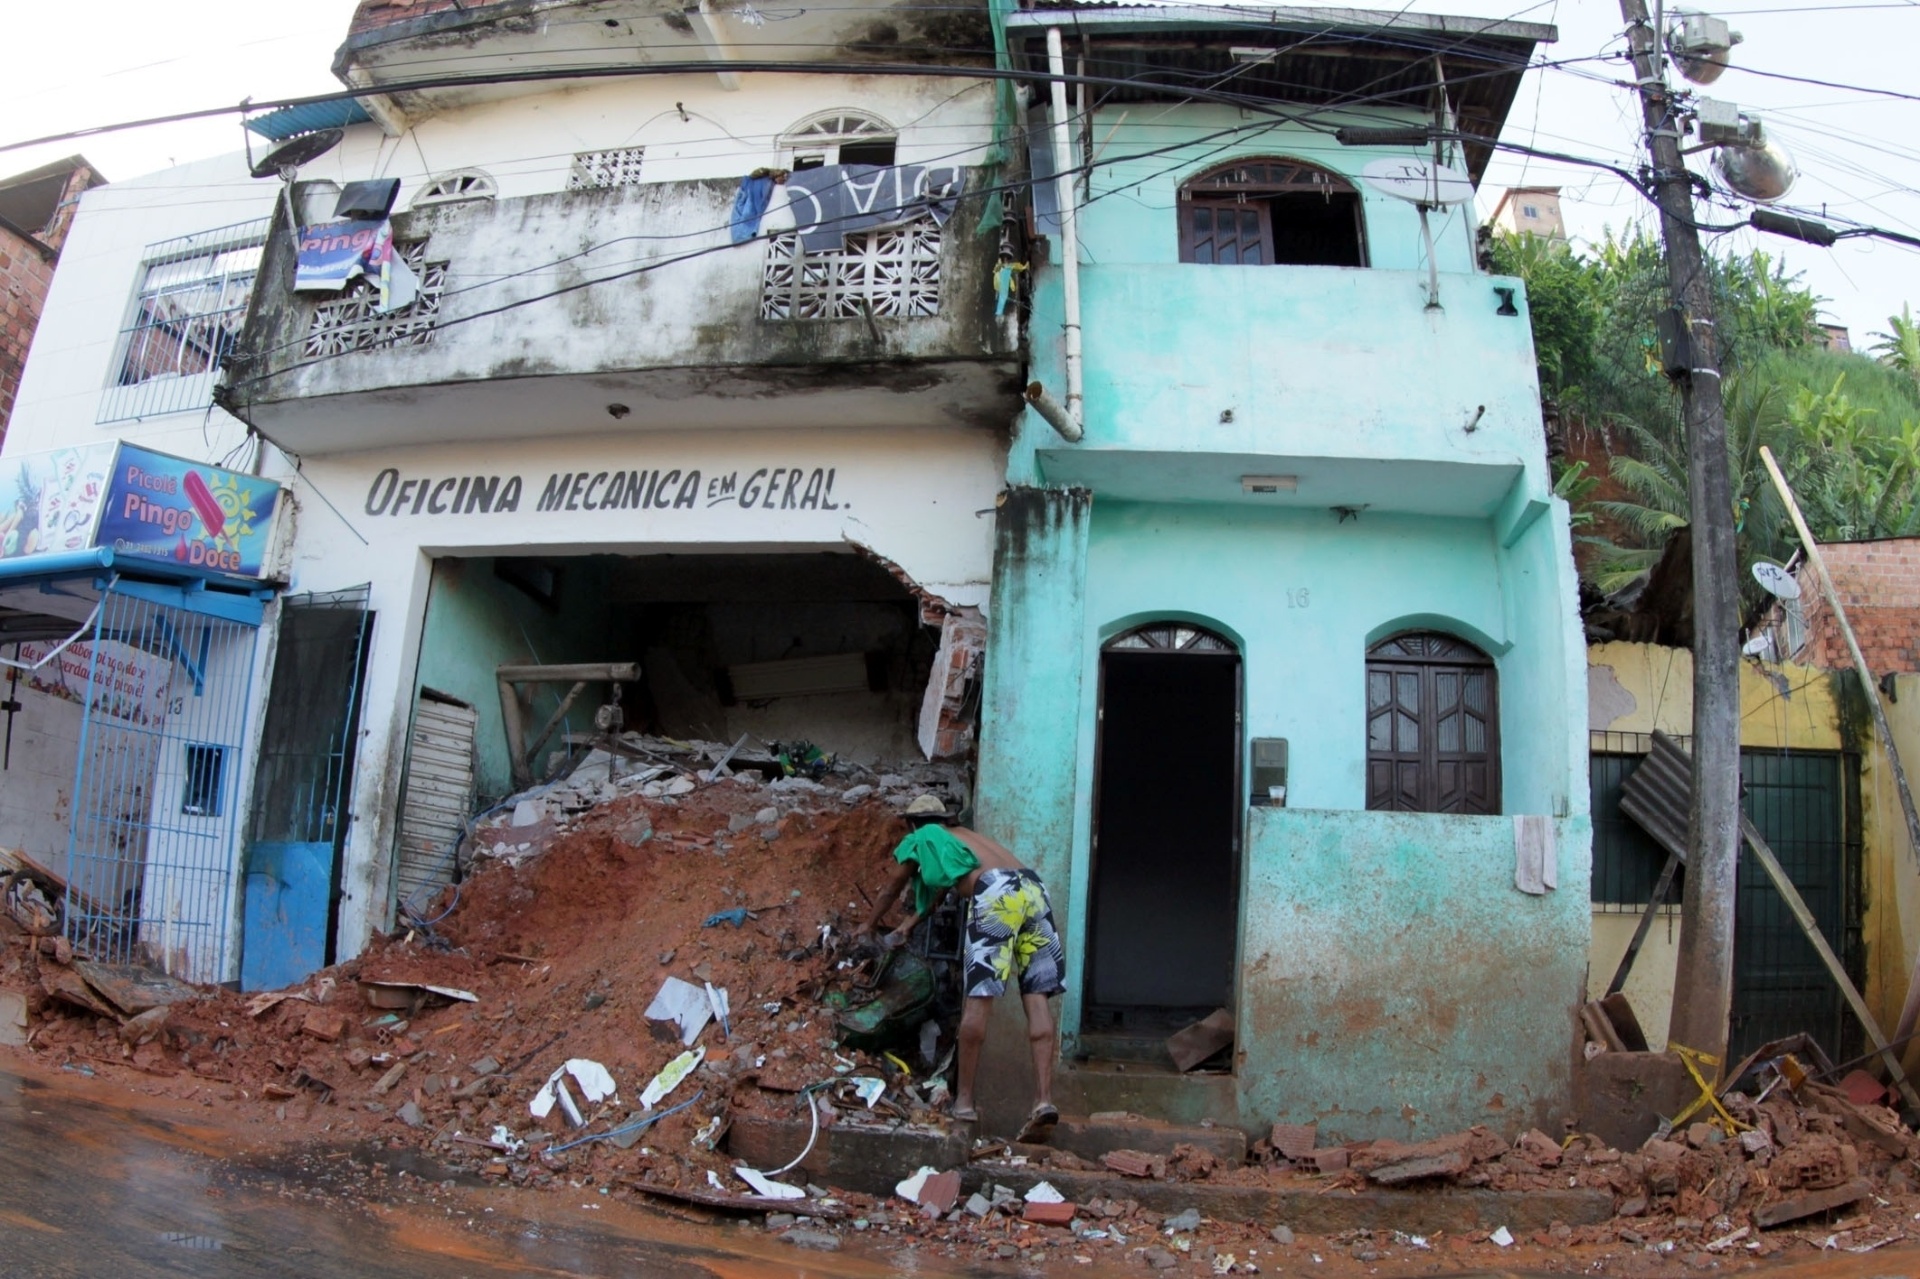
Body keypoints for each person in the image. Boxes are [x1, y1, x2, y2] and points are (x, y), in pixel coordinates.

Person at [858, 801, 1065, 1142]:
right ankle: (1043, 1101)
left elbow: (891, 888)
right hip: (1032, 888)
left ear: (913, 823)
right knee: (1037, 995)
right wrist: (909, 925)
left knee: (978, 999)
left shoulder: (921, 838)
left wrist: (868, 924)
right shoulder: (964, 839)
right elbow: (942, 891)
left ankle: (964, 1105)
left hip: (996, 893)